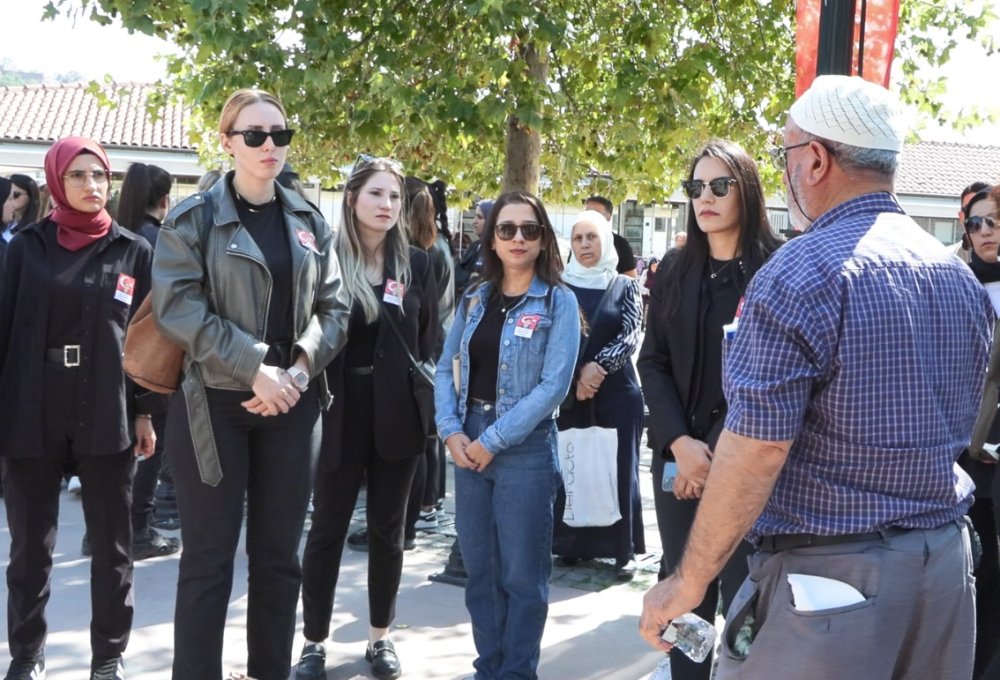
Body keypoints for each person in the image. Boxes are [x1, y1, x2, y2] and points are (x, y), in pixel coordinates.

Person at [639, 75, 990, 680]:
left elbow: (757, 449)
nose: (785, 174)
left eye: (787, 157)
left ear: (818, 160)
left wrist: (686, 582)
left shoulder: (800, 271)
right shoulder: (956, 276)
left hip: (831, 589)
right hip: (943, 574)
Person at [152, 88, 350, 680]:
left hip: (292, 401)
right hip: (211, 405)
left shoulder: (310, 220)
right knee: (208, 563)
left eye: (280, 135)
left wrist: (295, 369)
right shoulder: (192, 219)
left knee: (277, 561)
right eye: (255, 135)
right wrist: (254, 367)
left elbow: (335, 310)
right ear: (227, 141)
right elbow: (178, 309)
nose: (270, 146)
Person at [0, 136, 156, 680]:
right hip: (30, 406)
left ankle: (108, 657)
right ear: (56, 181)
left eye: (100, 176)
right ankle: (27, 655)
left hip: (106, 405)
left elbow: (146, 341)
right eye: (79, 176)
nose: (93, 186)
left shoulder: (133, 249)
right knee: (29, 549)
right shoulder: (26, 247)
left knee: (113, 545)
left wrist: (144, 411)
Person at [636, 139, 781, 680]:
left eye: (720, 186)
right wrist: (679, 443)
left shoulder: (775, 267)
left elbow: (769, 375)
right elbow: (651, 362)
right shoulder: (674, 267)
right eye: (696, 188)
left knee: (745, 598)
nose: (706, 197)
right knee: (683, 594)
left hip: (745, 461)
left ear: (746, 190)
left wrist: (713, 451)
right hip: (677, 462)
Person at [296, 157, 438, 680]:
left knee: (388, 530)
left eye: (394, 197)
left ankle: (381, 637)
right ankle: (313, 642)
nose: (386, 206)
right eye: (376, 194)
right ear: (352, 198)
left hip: (397, 413)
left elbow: (428, 342)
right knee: (327, 528)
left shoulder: (418, 264)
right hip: (336, 410)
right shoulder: (323, 259)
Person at [435, 190, 580, 680]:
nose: (518, 238)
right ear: (492, 238)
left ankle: (517, 673)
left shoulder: (559, 300)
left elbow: (553, 386)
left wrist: (490, 440)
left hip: (525, 449)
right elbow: (443, 368)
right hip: (468, 437)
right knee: (481, 573)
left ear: (543, 241)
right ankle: (488, 668)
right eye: (507, 229)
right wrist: (451, 432)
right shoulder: (475, 298)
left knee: (522, 576)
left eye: (530, 229)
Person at [553, 209, 645, 578]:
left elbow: (632, 333)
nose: (585, 245)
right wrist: (576, 374)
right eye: (578, 239)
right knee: (572, 467)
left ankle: (619, 547)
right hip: (570, 391)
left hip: (616, 393)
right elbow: (552, 336)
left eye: (592, 237)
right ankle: (571, 546)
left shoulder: (625, 286)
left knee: (617, 469)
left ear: (606, 240)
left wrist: (597, 367)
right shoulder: (559, 287)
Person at [115, 162, 182, 560]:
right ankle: (138, 528)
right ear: (164, 198)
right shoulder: (157, 240)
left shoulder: (117, 235)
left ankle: (105, 528)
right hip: (151, 355)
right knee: (148, 446)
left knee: (117, 449)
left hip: (114, 352)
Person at [403, 175, 455, 539]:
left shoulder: (426, 253)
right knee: (427, 435)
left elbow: (427, 312)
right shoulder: (436, 247)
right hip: (436, 347)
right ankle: (427, 506)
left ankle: (425, 507)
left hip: (429, 350)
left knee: (425, 436)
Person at [964, 186, 1000, 679]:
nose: (985, 231)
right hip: (967, 453)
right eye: (975, 223)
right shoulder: (957, 283)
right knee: (978, 569)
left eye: (993, 221)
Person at [583, 195, 637, 277]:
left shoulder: (620, 244)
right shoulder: (578, 240)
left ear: (608, 217)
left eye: (596, 214)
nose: (591, 217)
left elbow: (630, 279)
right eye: (587, 213)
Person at [454, 198, 492, 295]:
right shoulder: (474, 246)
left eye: (480, 217)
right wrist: (469, 276)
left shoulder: (496, 251)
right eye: (475, 216)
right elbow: (456, 275)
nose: (474, 221)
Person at [3, 174, 40, 240]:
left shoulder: (37, 227)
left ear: (30, 195)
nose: (11, 199)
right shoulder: (6, 220)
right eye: (8, 194)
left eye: (16, 194)